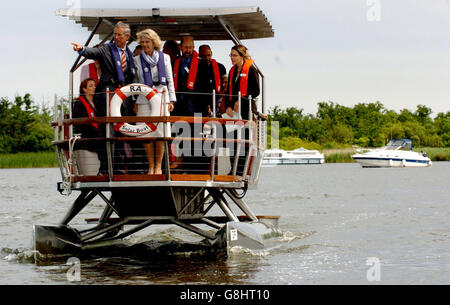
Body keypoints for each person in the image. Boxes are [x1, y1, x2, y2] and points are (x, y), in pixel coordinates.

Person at [134, 28, 176, 175]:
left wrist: (172, 100)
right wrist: (134, 100)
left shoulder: (165, 58)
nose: (145, 45)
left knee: (160, 134)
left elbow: (170, 80)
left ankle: (158, 167)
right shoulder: (137, 60)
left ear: (154, 42)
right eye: (143, 42)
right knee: (146, 134)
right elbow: (135, 81)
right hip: (144, 99)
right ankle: (151, 166)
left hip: (161, 97)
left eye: (147, 42)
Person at [72, 21, 136, 117]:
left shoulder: (130, 55)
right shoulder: (107, 49)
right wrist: (82, 49)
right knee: (107, 125)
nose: (116, 37)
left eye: (119, 35)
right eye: (115, 34)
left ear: (127, 37)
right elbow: (94, 52)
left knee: (123, 126)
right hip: (107, 94)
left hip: (124, 97)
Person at [72, 78, 106, 174]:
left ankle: (104, 171)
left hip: (96, 135)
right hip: (86, 136)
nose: (94, 88)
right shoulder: (79, 103)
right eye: (91, 86)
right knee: (104, 143)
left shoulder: (97, 104)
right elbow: (81, 122)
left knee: (110, 140)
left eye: (94, 85)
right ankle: (102, 171)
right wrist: (98, 132)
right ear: (84, 89)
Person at [226, 45, 262, 121]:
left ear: (242, 56)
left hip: (247, 110)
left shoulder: (252, 70)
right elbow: (228, 92)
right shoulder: (232, 71)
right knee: (232, 133)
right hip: (233, 112)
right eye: (231, 55)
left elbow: (256, 91)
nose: (232, 57)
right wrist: (228, 106)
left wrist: (241, 100)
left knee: (245, 133)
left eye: (235, 55)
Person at [171, 36, 205, 116]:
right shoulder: (174, 63)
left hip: (197, 108)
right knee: (178, 128)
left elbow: (206, 87)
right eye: (185, 47)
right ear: (180, 47)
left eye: (190, 47)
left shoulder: (202, 64)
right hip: (178, 108)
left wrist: (204, 106)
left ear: (193, 47)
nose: (188, 50)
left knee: (197, 129)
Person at [198, 44, 226, 116]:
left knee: (217, 125)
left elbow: (224, 85)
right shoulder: (195, 68)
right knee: (198, 126)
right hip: (199, 104)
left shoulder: (221, 67)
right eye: (204, 56)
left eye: (209, 55)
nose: (207, 58)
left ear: (211, 53)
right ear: (199, 55)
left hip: (216, 102)